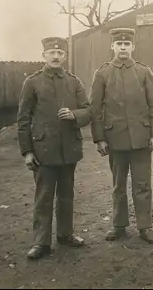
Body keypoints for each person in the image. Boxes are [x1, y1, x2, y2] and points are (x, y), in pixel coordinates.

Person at [17, 37, 92, 260]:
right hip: (43, 150)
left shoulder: (74, 82)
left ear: (65, 57)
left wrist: (74, 115)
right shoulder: (32, 82)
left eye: (60, 53)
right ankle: (40, 242)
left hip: (68, 149)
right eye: (51, 53)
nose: (56, 56)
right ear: (44, 56)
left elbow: (88, 111)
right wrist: (27, 151)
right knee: (44, 196)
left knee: (66, 195)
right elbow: (23, 119)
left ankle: (65, 234)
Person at [90, 28, 153, 244]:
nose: (123, 48)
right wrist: (100, 138)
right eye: (119, 44)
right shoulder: (102, 74)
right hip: (115, 139)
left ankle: (145, 227)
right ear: (112, 47)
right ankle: (119, 225)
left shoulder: (143, 72)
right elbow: (95, 109)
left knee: (142, 184)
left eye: (127, 44)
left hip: (141, 138)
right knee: (118, 184)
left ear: (133, 47)